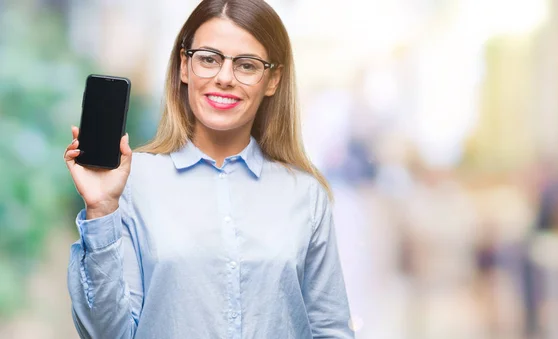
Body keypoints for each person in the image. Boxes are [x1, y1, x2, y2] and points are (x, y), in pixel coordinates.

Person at [64, 1, 354, 338]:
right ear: (185, 67)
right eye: (208, 59)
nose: (224, 78)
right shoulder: (131, 181)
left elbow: (330, 329)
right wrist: (101, 209)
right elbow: (107, 334)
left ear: (272, 79)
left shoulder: (305, 194)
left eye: (247, 65)